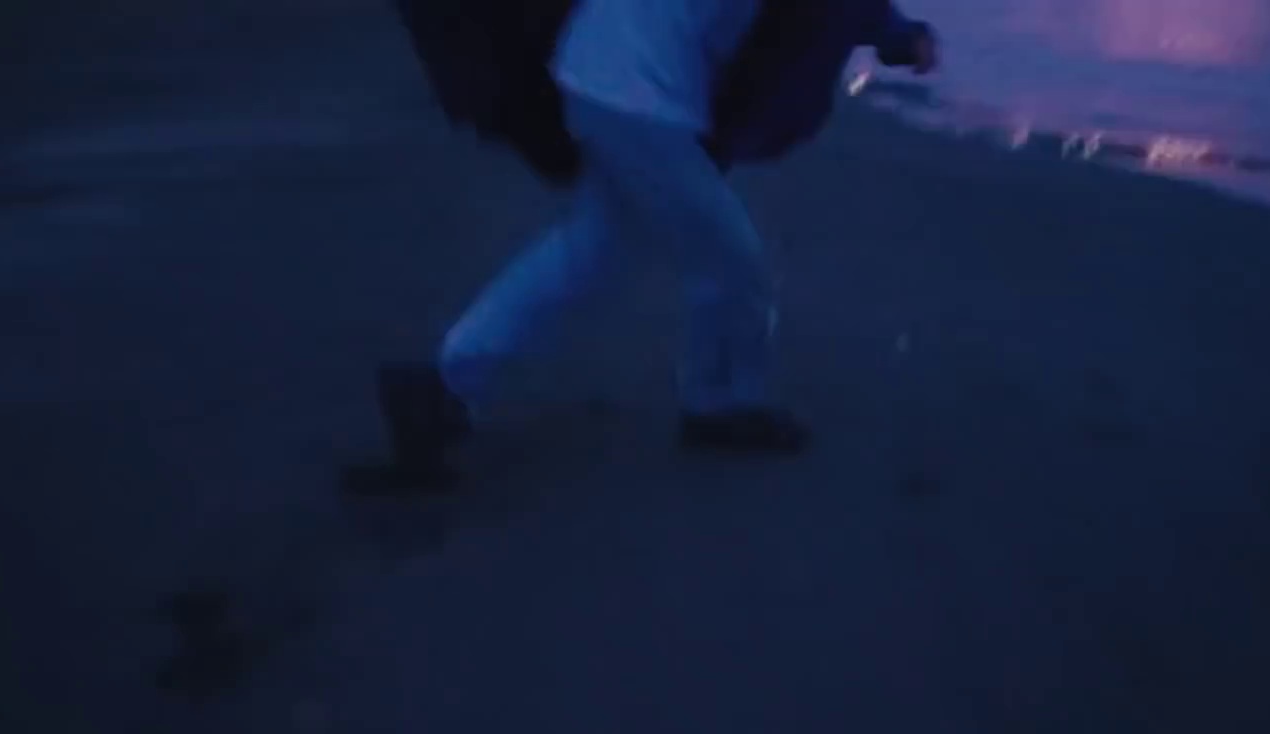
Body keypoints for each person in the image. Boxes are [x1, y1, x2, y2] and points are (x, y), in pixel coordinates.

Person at [380, 0, 939, 485]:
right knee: (734, 263)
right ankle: (721, 405)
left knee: (589, 251)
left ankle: (445, 386)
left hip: (603, 75)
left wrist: (899, 36)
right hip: (635, 97)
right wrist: (902, 39)